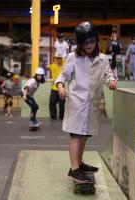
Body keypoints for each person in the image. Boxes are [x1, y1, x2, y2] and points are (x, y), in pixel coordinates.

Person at [55, 21, 117, 183]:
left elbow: (108, 75)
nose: (89, 45)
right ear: (80, 43)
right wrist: (61, 87)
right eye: (85, 42)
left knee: (85, 135)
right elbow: (63, 76)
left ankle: (79, 163)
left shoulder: (103, 59)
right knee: (76, 135)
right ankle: (74, 169)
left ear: (96, 40)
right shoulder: (72, 58)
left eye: (91, 41)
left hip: (92, 103)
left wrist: (111, 81)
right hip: (77, 102)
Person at [47, 54, 65, 120]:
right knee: (52, 103)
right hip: (54, 88)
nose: (58, 60)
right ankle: (53, 117)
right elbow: (46, 68)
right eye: (57, 58)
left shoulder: (64, 67)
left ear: (61, 59)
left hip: (62, 88)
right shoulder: (53, 66)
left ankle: (62, 117)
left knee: (61, 104)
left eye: (59, 58)